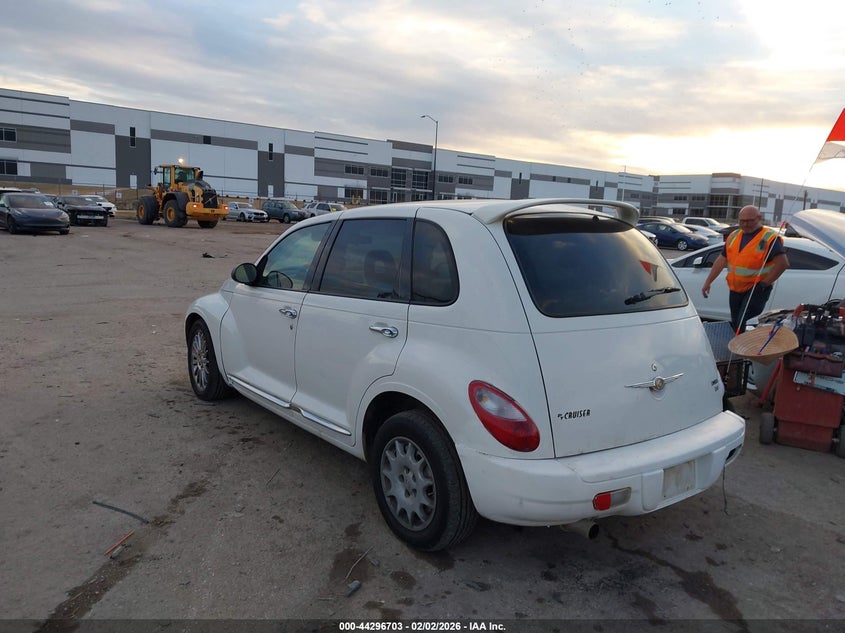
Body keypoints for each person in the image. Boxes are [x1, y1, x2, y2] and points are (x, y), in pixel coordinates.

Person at [701, 205, 789, 333]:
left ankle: (742, 347)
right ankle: (738, 346)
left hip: (755, 289)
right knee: (736, 321)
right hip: (735, 288)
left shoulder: (769, 238)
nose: (745, 224)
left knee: (743, 320)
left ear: (759, 218)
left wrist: (764, 284)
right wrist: (708, 281)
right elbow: (722, 260)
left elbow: (783, 264)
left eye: (749, 221)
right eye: (742, 221)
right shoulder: (734, 236)